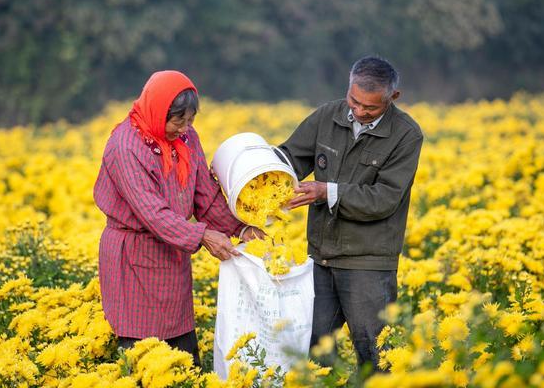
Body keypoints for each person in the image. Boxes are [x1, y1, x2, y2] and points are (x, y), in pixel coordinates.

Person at [93, 70, 263, 365]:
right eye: (177, 121)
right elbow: (153, 213)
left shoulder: (186, 138)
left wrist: (241, 228)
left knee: (183, 351)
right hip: (134, 257)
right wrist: (203, 235)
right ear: (157, 111)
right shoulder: (126, 147)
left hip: (170, 254)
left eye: (190, 120)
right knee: (143, 353)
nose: (184, 128)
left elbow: (205, 194)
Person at [278, 56, 423, 373]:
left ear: (392, 97)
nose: (358, 111)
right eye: (354, 101)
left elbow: (384, 198)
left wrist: (327, 191)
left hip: (368, 264)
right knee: (312, 352)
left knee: (376, 355)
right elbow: (290, 157)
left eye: (370, 108)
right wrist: (256, 169)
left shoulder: (406, 135)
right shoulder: (328, 115)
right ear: (348, 88)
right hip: (322, 258)